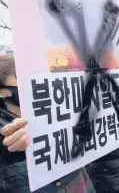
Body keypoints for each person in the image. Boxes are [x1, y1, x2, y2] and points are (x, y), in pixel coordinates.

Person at [0, 56, 95, 193]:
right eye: (20, 76)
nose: (32, 81)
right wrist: (15, 151)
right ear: (2, 92)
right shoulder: (5, 133)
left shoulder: (63, 112)